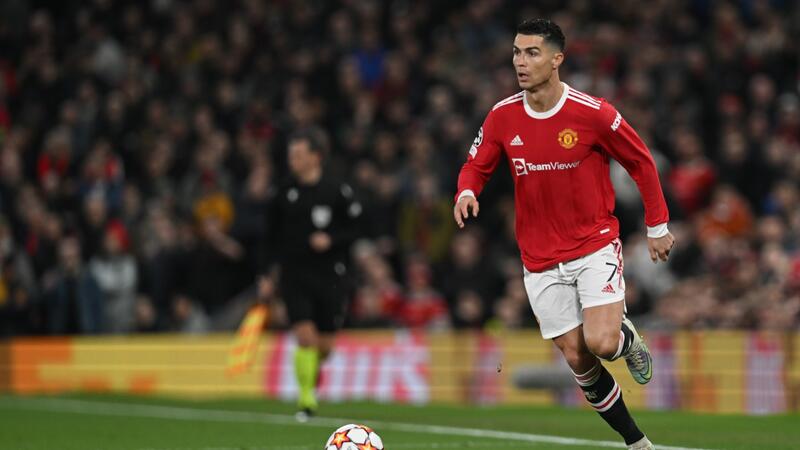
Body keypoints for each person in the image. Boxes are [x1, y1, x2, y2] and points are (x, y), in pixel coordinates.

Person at [453, 19, 674, 450]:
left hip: (593, 244)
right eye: (516, 52)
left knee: (602, 342)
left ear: (557, 59)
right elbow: (476, 164)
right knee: (578, 358)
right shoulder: (502, 115)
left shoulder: (593, 113)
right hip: (538, 259)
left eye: (532, 52)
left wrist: (657, 226)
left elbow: (641, 161)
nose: (520, 61)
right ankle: (637, 442)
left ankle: (627, 339)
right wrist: (466, 190)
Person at [260, 128, 362, 421]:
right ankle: (306, 400)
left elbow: (356, 229)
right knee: (305, 336)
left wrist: (331, 239)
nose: (292, 160)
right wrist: (266, 274)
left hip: (331, 275)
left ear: (316, 157)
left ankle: (310, 380)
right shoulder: (283, 193)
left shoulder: (337, 191)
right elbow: (268, 237)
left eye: (298, 154)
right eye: (291, 154)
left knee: (325, 347)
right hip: (295, 275)